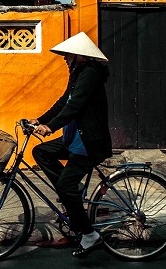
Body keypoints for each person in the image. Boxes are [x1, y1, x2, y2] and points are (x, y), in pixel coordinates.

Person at [29, 31, 112, 258]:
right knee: (42, 152)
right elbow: (62, 102)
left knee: (65, 186)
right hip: (75, 137)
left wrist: (50, 127)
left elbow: (74, 107)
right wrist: (40, 120)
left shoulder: (90, 74)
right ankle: (71, 193)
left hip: (88, 141)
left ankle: (89, 235)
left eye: (68, 55)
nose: (65, 59)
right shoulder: (77, 74)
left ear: (80, 56)